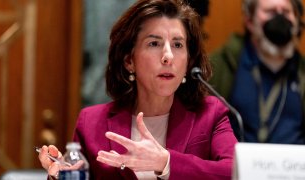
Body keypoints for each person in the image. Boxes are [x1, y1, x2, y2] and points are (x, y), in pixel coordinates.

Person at [38, 0, 237, 179]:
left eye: (177, 44)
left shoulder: (211, 114)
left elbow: (235, 172)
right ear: (129, 60)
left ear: (188, 60)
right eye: (154, 43)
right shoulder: (90, 123)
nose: (168, 56)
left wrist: (166, 162)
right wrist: (61, 176)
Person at [209, 0, 305, 143]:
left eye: (285, 12)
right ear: (249, 22)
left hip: (295, 164)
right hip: (236, 163)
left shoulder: (301, 70)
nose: (280, 18)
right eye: (270, 12)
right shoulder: (219, 65)